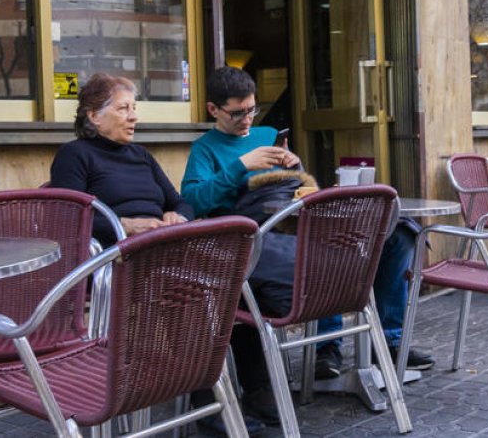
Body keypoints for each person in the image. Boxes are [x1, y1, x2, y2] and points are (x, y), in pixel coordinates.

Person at [181, 68, 433, 425]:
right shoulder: (205, 149)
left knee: (397, 233)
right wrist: (241, 166)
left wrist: (296, 168)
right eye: (238, 112)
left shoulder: (268, 134)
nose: (247, 119)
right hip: (260, 233)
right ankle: (327, 342)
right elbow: (193, 200)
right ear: (213, 110)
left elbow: (295, 183)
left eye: (252, 109)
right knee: (314, 256)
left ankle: (387, 341)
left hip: (297, 216)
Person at [50, 73, 192, 248]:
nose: (133, 117)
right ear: (95, 116)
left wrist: (178, 216)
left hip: (162, 246)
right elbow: (67, 220)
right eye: (123, 108)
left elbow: (180, 203)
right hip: (114, 256)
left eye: (134, 107)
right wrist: (126, 226)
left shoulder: (141, 155)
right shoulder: (74, 154)